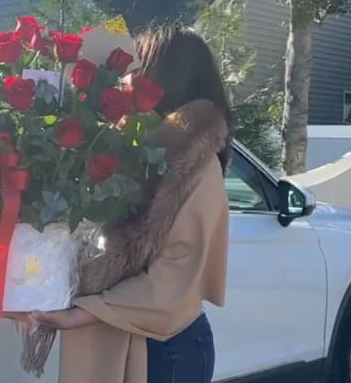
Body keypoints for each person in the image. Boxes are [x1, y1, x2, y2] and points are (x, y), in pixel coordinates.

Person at [21, 23, 231, 383]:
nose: (125, 78)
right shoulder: (122, 150)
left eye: (136, 66)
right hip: (116, 337)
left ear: (161, 78)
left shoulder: (196, 163)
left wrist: (83, 313)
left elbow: (177, 275)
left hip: (163, 350)